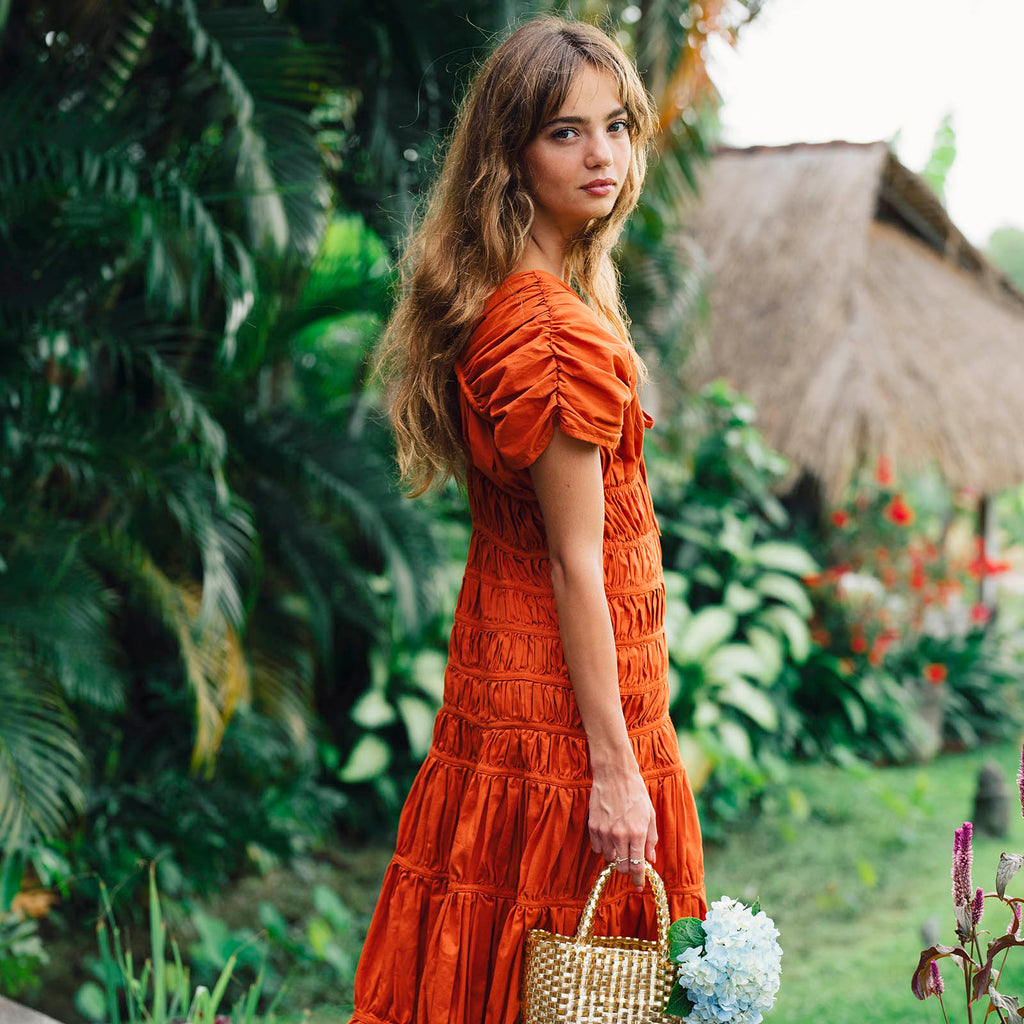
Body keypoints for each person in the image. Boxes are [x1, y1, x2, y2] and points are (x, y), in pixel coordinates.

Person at [348, 15, 705, 1024]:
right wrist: (613, 770)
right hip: (561, 720)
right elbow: (574, 565)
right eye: (563, 132)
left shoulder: (538, 295)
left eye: (616, 126)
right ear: (508, 155)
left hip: (528, 695)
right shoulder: (546, 331)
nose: (602, 154)